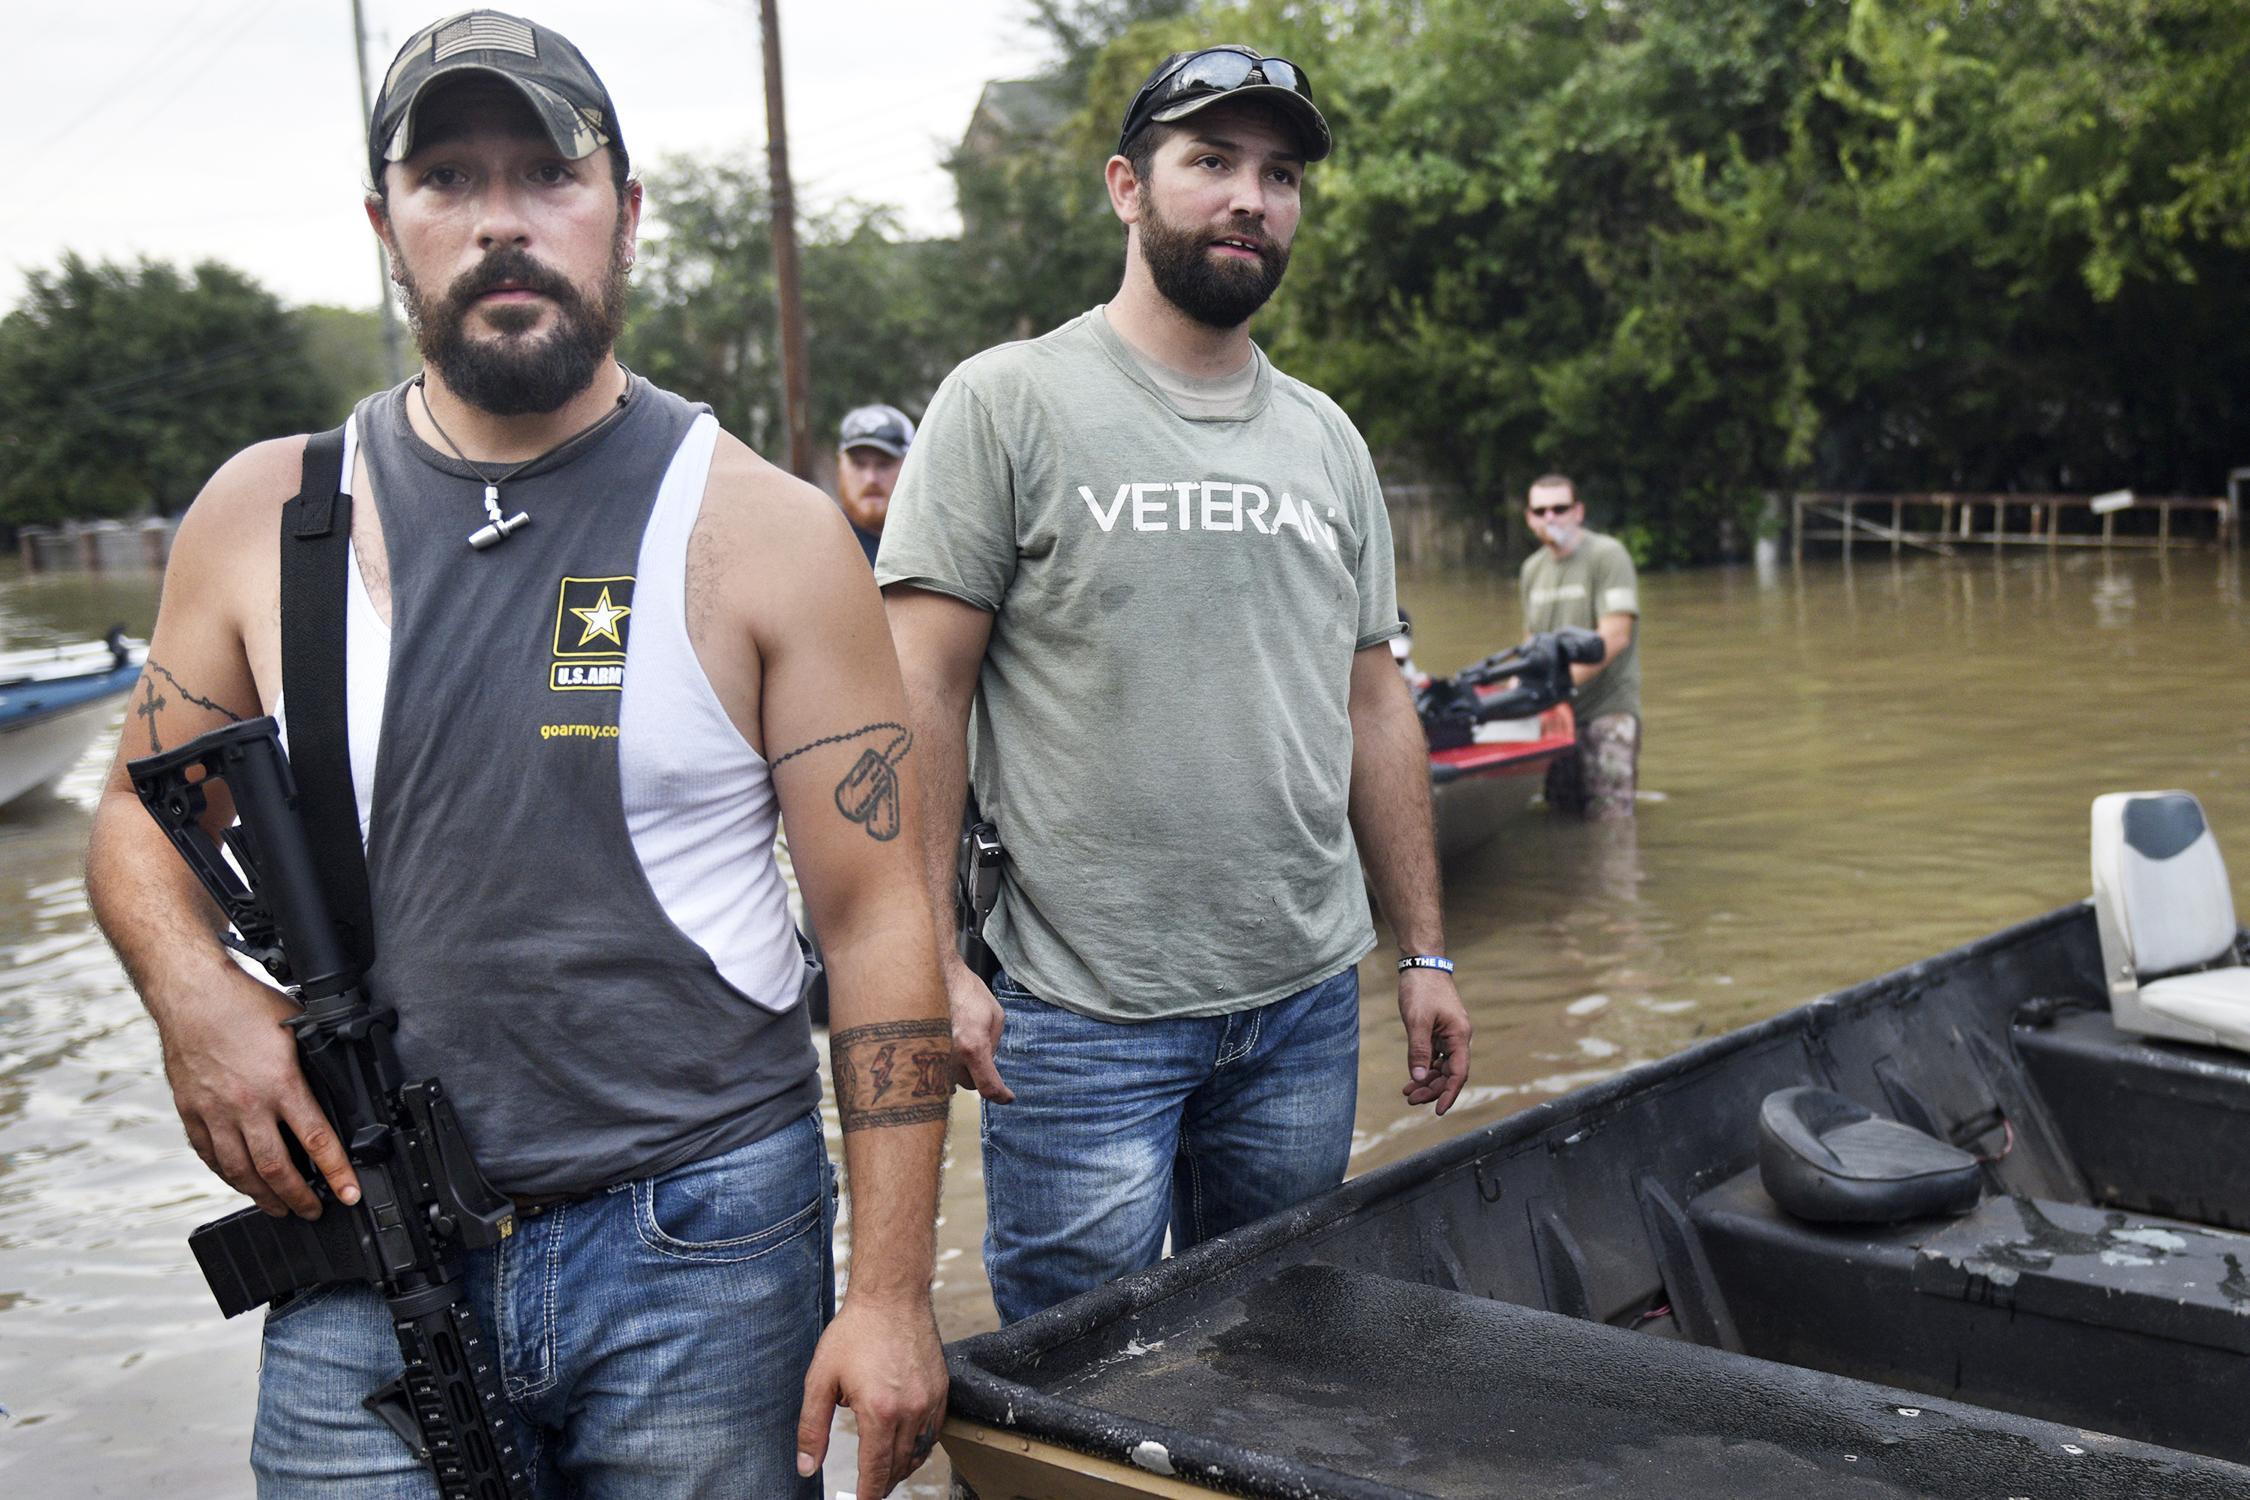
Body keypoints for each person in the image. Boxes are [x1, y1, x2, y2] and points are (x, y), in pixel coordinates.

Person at [82, 14, 947, 1497]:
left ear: (626, 209)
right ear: (385, 227)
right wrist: (195, 996)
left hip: (703, 1253)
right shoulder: (264, 517)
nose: (501, 222)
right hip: (361, 1238)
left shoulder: (772, 535)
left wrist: (886, 1296)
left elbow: (877, 920)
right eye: (448, 179)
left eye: (549, 173)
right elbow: (132, 813)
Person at [878, 44, 1473, 1326]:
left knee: (1280, 1361)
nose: (1251, 198)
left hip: (1304, 1004)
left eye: (1279, 174)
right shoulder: (1007, 402)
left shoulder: (1326, 436)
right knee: (1080, 1382)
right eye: (1211, 162)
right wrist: (933, 963)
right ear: (1126, 188)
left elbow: (1376, 706)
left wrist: (1422, 949)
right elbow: (917, 698)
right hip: (1082, 1016)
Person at [1519, 473, 1642, 819]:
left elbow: (1616, 637)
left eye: (1560, 508)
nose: (1550, 518)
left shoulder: (1607, 556)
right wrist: (1518, 692)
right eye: (1540, 511)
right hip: (1556, 718)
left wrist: (1552, 689)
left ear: (1578, 512)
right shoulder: (1532, 570)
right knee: (1560, 817)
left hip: (1606, 711)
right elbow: (1532, 643)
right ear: (1529, 518)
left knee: (1611, 822)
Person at [834, 403, 914, 565]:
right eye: (859, 464)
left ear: (912, 465)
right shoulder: (820, 547)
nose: (871, 478)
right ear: (840, 465)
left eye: (884, 464)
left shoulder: (936, 549)